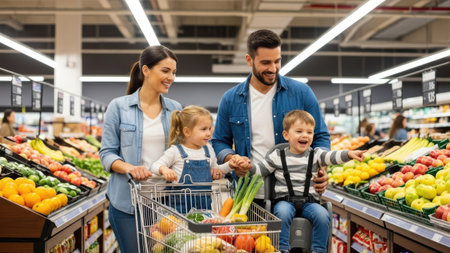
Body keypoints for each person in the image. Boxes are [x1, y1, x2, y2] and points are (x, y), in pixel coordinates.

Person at [211, 29, 331, 201]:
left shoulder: (301, 93)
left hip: (296, 194)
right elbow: (219, 140)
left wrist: (321, 167)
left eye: (277, 61)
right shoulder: (231, 99)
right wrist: (233, 159)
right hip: (249, 194)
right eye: (266, 62)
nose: (273, 68)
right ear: (249, 60)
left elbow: (320, 135)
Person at [99, 45, 181, 253]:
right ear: (146, 70)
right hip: (127, 204)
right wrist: (130, 168)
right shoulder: (118, 107)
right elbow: (107, 153)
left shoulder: (175, 109)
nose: (171, 77)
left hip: (166, 202)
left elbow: (182, 151)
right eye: (165, 71)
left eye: (173, 72)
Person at [248, 110, 365, 253]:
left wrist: (349, 154)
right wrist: (244, 167)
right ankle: (281, 248)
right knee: (282, 214)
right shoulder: (277, 155)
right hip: (284, 201)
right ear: (286, 135)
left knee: (322, 215)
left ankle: (319, 249)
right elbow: (260, 170)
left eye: (309, 132)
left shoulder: (316, 154)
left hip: (310, 202)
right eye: (299, 131)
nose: (305, 135)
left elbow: (332, 156)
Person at [151, 105, 237, 213]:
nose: (209, 133)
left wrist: (229, 165)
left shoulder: (209, 150)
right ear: (187, 132)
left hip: (204, 209)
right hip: (178, 211)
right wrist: (164, 169)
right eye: (203, 129)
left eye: (210, 128)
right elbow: (155, 166)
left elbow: (216, 170)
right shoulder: (175, 151)